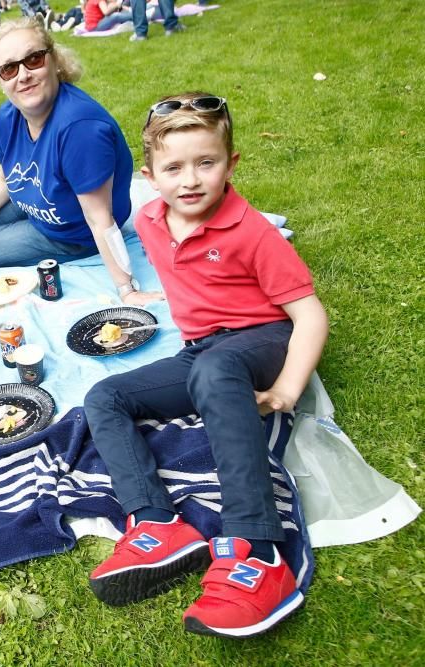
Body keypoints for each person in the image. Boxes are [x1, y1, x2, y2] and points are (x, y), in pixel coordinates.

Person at [83, 93, 329, 637]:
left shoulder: (253, 232)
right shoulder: (149, 220)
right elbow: (162, 265)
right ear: (149, 177)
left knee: (215, 371)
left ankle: (258, 553)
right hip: (201, 352)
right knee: (104, 397)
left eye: (206, 162)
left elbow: (309, 315)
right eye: (173, 167)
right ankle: (155, 521)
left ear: (231, 164)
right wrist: (135, 291)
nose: (190, 180)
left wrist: (288, 387)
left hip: (265, 339)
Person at [0, 18, 161, 306]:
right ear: (0, 79)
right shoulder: (7, 118)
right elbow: (5, 178)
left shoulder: (80, 128)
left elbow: (98, 218)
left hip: (71, 231)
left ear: (55, 61)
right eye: (9, 68)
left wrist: (128, 289)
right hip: (38, 196)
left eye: (34, 59)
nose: (23, 75)